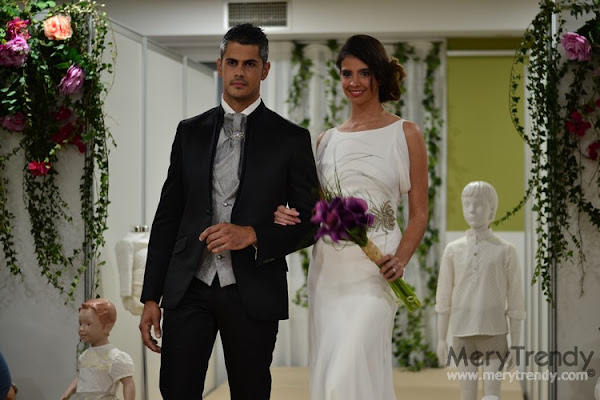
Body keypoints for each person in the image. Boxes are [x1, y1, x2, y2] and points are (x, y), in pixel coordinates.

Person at [138, 23, 320, 399]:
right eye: (232, 62)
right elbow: (168, 216)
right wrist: (151, 296)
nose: (240, 72)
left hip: (253, 288)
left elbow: (312, 221)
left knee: (251, 392)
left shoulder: (290, 138)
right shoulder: (189, 132)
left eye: (250, 64)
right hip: (189, 285)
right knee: (176, 390)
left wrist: (253, 234)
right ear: (220, 65)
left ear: (264, 70)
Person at [274, 34, 429, 399]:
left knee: (347, 371)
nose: (354, 82)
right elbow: (313, 211)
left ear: (378, 75)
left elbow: (420, 213)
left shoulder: (405, 133)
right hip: (329, 273)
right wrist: (284, 214)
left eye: (364, 72)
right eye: (347, 73)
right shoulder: (325, 141)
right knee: (335, 374)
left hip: (377, 273)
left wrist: (401, 259)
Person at [435, 181, 525, 400]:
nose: (472, 209)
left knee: (493, 394)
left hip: (495, 332)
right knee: (467, 394)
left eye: (478, 204)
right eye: (467, 204)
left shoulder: (506, 251)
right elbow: (443, 297)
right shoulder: (452, 250)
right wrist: (441, 339)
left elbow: (516, 302)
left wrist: (516, 345)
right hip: (462, 333)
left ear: (492, 210)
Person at [61, 299, 135, 400]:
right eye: (80, 323)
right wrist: (67, 393)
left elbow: (128, 383)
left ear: (107, 327)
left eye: (88, 324)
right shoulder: (85, 355)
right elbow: (81, 377)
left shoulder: (114, 357)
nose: (81, 329)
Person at [115, 228, 150, 316]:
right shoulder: (126, 242)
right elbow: (125, 270)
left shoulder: (151, 240)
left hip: (151, 288)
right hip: (137, 291)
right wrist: (126, 293)